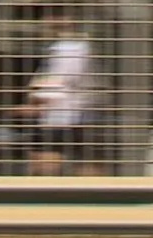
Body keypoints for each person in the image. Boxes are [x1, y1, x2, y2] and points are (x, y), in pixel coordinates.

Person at [21, 17, 96, 175]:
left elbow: (59, 80)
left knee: (46, 165)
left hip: (62, 116)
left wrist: (35, 102)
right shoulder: (71, 46)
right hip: (67, 115)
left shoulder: (68, 47)